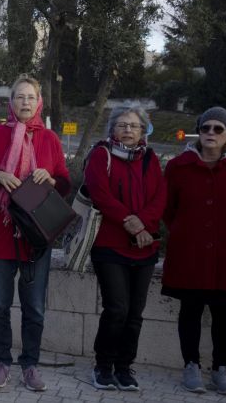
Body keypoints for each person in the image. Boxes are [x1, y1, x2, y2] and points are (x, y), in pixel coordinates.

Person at [0, 76, 70, 392]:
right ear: (10, 102)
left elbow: (65, 184)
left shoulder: (50, 139)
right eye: (19, 97)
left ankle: (30, 365)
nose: (25, 102)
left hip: (35, 237)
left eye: (30, 97)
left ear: (39, 102)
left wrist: (51, 180)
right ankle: (2, 362)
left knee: (34, 307)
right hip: (0, 230)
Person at [161, 107, 226, 397]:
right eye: (205, 128)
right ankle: (191, 366)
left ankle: (221, 369)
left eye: (218, 129)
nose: (210, 133)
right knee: (190, 310)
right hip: (190, 253)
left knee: (224, 314)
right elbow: (169, 209)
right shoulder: (178, 167)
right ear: (198, 131)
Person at [83, 106, 165, 391]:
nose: (128, 130)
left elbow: (160, 196)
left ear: (143, 130)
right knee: (117, 308)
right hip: (110, 246)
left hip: (144, 247)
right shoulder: (101, 155)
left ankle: (124, 367)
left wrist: (142, 224)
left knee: (135, 313)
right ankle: (103, 366)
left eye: (134, 126)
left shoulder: (150, 158)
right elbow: (100, 194)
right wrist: (131, 222)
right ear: (111, 129)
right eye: (121, 125)